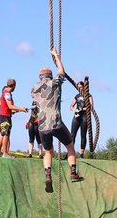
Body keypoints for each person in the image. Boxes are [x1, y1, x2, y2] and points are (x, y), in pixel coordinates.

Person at [31, 48, 83, 192]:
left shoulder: (35, 88)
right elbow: (62, 71)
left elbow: (34, 103)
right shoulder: (55, 82)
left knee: (48, 152)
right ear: (50, 75)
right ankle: (73, 172)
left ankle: (48, 175)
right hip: (56, 123)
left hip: (42, 126)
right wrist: (56, 56)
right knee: (70, 145)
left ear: (40, 77)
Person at [0, 79, 27, 157]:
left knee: (4, 134)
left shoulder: (5, 93)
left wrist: (21, 110)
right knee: (5, 135)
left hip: (3, 116)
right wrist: (21, 108)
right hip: (4, 117)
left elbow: (10, 110)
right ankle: (4, 153)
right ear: (14, 86)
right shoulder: (7, 94)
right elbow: (10, 106)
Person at [69, 79, 94, 158]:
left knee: (83, 135)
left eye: (81, 87)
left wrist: (82, 109)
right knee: (72, 134)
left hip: (85, 116)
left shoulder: (89, 96)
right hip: (77, 115)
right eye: (78, 87)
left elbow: (91, 107)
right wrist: (74, 110)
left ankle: (81, 153)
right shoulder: (77, 96)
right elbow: (71, 106)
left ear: (84, 87)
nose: (80, 89)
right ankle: (71, 152)